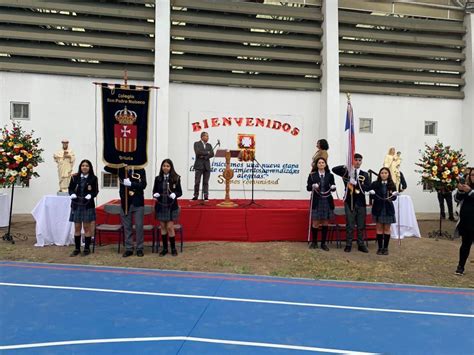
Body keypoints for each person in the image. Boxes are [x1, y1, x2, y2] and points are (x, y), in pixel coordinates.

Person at [104, 165, 147, 257]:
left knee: (139, 227)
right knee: (127, 226)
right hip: (125, 202)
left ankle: (139, 248)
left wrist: (131, 184)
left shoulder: (141, 169)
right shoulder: (121, 169)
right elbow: (106, 168)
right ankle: (129, 248)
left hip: (137, 202)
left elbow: (143, 185)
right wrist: (118, 161)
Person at [332, 153, 370, 253]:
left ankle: (360, 244)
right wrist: (345, 166)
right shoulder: (347, 172)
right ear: (352, 161)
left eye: (359, 160)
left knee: (361, 224)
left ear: (361, 162)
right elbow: (334, 169)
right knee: (350, 224)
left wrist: (357, 184)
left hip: (361, 202)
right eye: (356, 160)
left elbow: (368, 187)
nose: (357, 162)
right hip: (349, 201)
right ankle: (348, 244)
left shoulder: (364, 174)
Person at [68, 159, 98, 257]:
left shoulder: (93, 178)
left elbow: (95, 191)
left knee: (86, 227)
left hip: (87, 205)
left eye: (87, 166)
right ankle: (77, 248)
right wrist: (72, 194)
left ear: (90, 168)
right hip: (76, 205)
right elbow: (70, 188)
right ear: (80, 167)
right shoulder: (74, 177)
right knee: (77, 227)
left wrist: (91, 195)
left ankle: (86, 248)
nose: (84, 167)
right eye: (83, 165)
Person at [153, 159, 183, 257]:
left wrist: (175, 194)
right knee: (163, 227)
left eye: (167, 166)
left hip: (171, 206)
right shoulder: (158, 178)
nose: (165, 167)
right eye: (164, 166)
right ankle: (165, 249)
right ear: (162, 167)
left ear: (171, 167)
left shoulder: (176, 178)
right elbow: (154, 191)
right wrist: (155, 194)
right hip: (161, 205)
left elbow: (180, 192)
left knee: (170, 227)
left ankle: (173, 248)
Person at [306, 157, 336, 251]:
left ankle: (323, 243)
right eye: (319, 163)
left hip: (326, 201)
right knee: (315, 222)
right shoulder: (312, 175)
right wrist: (312, 186)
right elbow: (308, 188)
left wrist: (333, 187)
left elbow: (333, 187)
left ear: (325, 164)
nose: (321, 164)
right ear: (317, 165)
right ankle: (314, 242)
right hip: (317, 201)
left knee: (325, 222)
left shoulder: (330, 175)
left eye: (323, 162)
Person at [369, 167, 398, 255]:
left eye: (385, 173)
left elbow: (394, 198)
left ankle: (385, 248)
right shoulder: (375, 184)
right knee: (379, 229)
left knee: (387, 229)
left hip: (388, 209)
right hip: (378, 209)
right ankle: (379, 248)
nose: (384, 174)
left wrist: (394, 195)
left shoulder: (392, 184)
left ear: (388, 174)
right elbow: (371, 197)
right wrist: (371, 193)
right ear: (379, 174)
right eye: (382, 173)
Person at [454, 168, 474, 276]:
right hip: (467, 220)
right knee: (465, 244)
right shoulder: (467, 186)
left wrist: (470, 192)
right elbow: (457, 199)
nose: (473, 177)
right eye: (471, 175)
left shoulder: (470, 189)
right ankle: (460, 266)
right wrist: (460, 190)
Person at [192, 132, 214, 201]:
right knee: (197, 182)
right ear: (202, 137)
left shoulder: (209, 145)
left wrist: (204, 156)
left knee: (206, 182)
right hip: (199, 166)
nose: (207, 138)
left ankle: (206, 196)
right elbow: (197, 152)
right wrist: (207, 152)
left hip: (207, 166)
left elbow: (212, 154)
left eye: (208, 136)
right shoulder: (196, 143)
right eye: (206, 136)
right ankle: (196, 195)